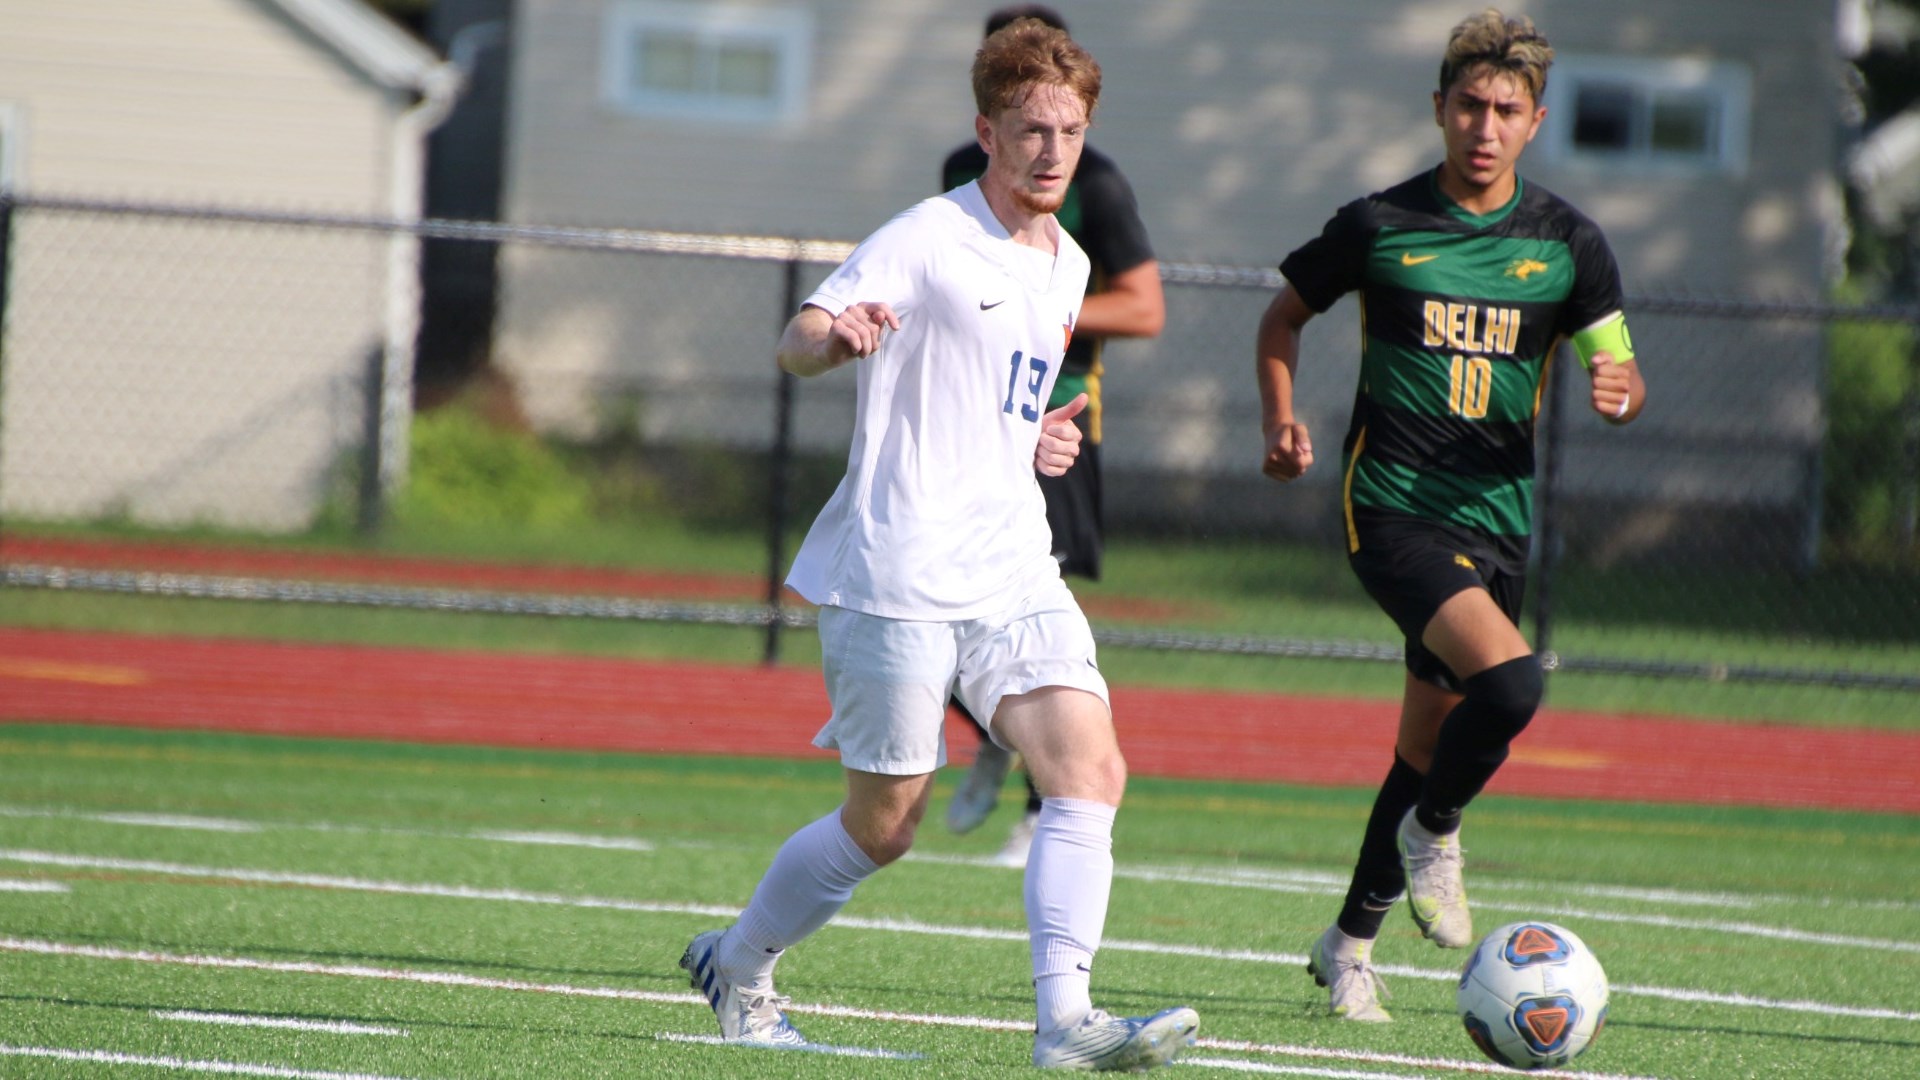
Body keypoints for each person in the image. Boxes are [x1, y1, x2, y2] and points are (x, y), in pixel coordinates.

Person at [680, 18, 1199, 1070]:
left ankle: (1067, 1025)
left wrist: (1039, 436)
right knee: (886, 826)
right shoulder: (927, 233)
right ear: (988, 130)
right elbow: (799, 342)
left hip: (1012, 561)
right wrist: (840, 336)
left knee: (1089, 769)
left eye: (1070, 130)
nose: (1052, 150)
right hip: (898, 571)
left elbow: (1001, 393)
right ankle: (739, 965)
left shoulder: (1069, 262)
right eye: (1030, 128)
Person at [1254, 9, 1646, 1023]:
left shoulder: (1567, 245)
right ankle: (1437, 831)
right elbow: (1283, 313)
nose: (1484, 124)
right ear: (1438, 108)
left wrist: (1620, 389)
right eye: (1468, 104)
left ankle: (1347, 947)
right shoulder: (1380, 226)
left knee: (1426, 743)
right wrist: (1283, 419)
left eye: (1505, 110)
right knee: (1512, 687)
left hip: (1498, 518)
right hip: (1392, 510)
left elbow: (1620, 363)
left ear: (1535, 122)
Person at [939, 4, 1165, 868]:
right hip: (970, 425)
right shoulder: (960, 174)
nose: (1045, 140)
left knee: (1036, 617)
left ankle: (1045, 807)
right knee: (940, 610)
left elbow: (1144, 305)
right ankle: (998, 732)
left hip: (1056, 423)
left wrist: (1046, 307)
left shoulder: (1094, 184)